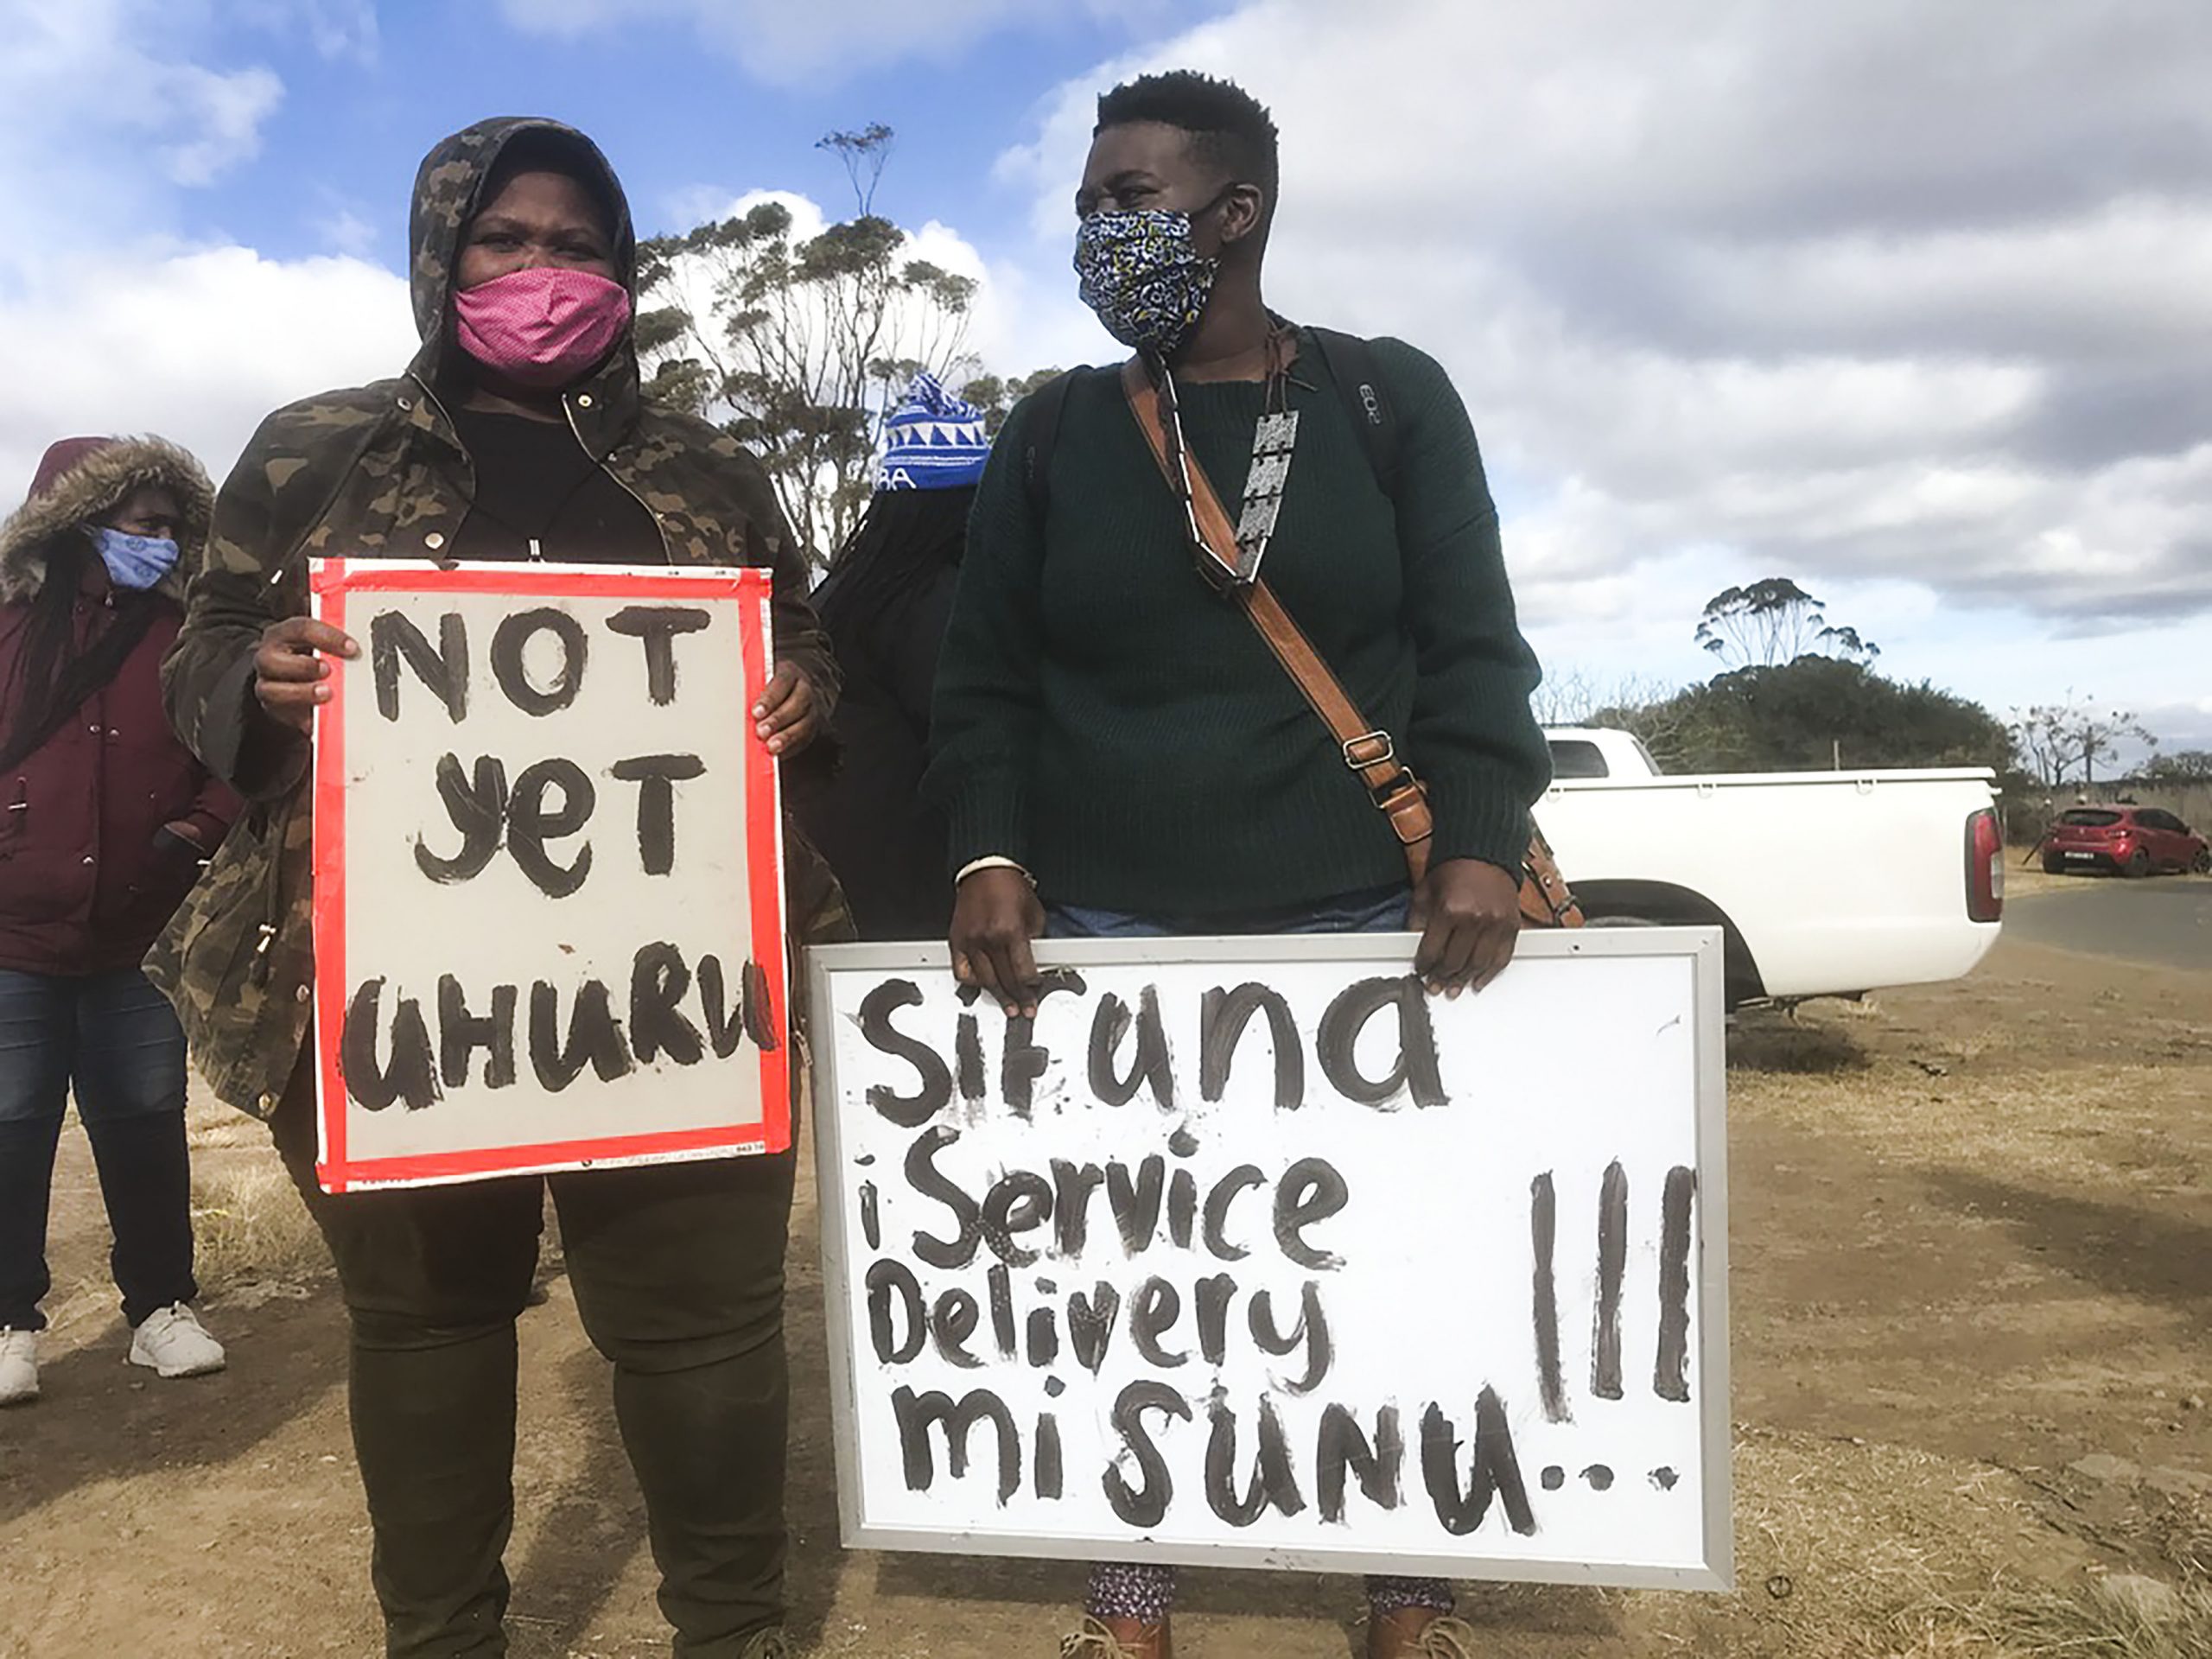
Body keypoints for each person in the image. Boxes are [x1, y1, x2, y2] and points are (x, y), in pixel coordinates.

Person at [148, 118, 838, 1659]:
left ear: (623, 267)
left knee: (706, 1330)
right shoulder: (316, 449)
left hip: (677, 996)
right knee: (426, 1326)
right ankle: (444, 1634)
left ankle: (736, 1633)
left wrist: (806, 687)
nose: (543, 271)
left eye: (578, 244)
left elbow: (801, 637)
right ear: (440, 253)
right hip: (393, 992)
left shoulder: (705, 469)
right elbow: (197, 646)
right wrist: (247, 685)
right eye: (504, 241)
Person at [925, 72, 1552, 1659]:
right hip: (1117, 935)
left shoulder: (1383, 400)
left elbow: (1475, 653)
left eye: (1127, 199)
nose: (1096, 232)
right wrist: (989, 846)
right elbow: (983, 677)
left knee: (1388, 1265)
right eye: (1083, 207)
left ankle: (1410, 1593)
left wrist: (1476, 839)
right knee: (1148, 1285)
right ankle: (1132, 1603)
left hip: (1367, 928)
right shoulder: (1058, 430)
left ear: (1236, 210)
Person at [0, 437, 238, 1408]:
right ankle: (11, 1322)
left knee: (144, 1122)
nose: (163, 541)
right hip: (12, 934)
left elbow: (234, 751)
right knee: (10, 1126)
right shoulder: (9, 626)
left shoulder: (185, 636)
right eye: (145, 523)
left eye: (175, 525)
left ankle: (159, 1311)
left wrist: (196, 828)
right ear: (76, 520)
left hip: (140, 934)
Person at [792, 372, 986, 941]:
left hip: (833, 890)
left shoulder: (837, 596)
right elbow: (969, 734)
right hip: (915, 905)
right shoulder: (938, 601)